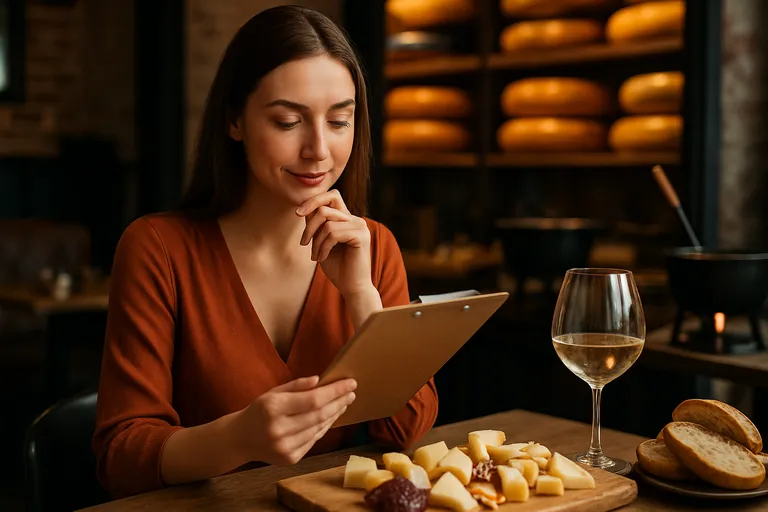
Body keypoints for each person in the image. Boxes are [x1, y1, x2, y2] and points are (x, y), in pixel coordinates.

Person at [91, 5, 439, 499]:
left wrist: (362, 295)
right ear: (234, 119)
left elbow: (406, 431)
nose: (318, 149)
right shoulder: (158, 249)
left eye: (339, 120)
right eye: (287, 121)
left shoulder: (373, 244)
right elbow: (120, 457)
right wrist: (238, 437)